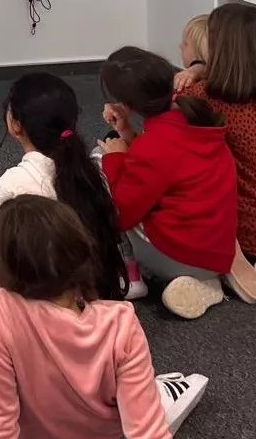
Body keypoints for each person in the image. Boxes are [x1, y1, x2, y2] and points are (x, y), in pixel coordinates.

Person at [0, 196, 199, 439]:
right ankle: (157, 396)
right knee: (139, 403)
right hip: (110, 436)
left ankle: (154, 396)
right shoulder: (121, 321)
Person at [0, 73, 139, 321]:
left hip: (43, 298)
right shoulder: (93, 170)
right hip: (91, 289)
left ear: (15, 125)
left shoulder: (15, 182)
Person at [98, 47, 244, 320]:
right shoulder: (195, 116)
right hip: (218, 247)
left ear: (126, 103)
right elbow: (168, 170)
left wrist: (116, 158)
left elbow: (123, 212)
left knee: (97, 169)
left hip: (184, 255)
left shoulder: (154, 146)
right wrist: (128, 134)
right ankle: (208, 279)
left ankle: (135, 273)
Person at [173, 3, 256, 293]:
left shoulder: (205, 96)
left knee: (186, 168)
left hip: (244, 236)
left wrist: (195, 68)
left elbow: (164, 99)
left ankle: (221, 274)